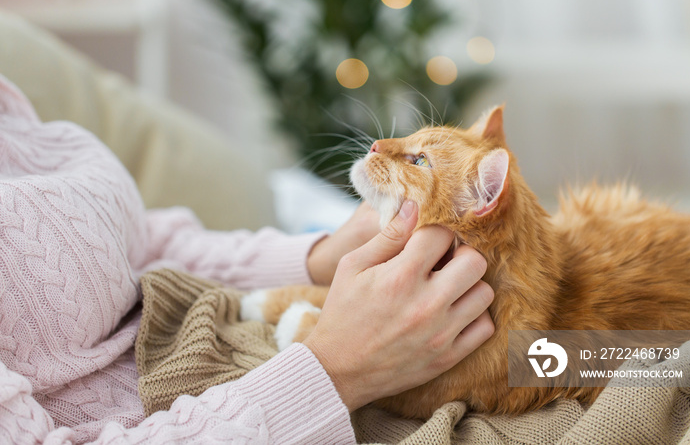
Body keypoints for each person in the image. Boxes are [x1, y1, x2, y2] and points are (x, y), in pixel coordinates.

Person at [0, 74, 494, 444]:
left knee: (567, 357)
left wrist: (318, 257)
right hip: (269, 404)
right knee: (557, 369)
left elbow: (133, 244)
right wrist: (338, 370)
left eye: (417, 157)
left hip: (256, 349)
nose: (382, 146)